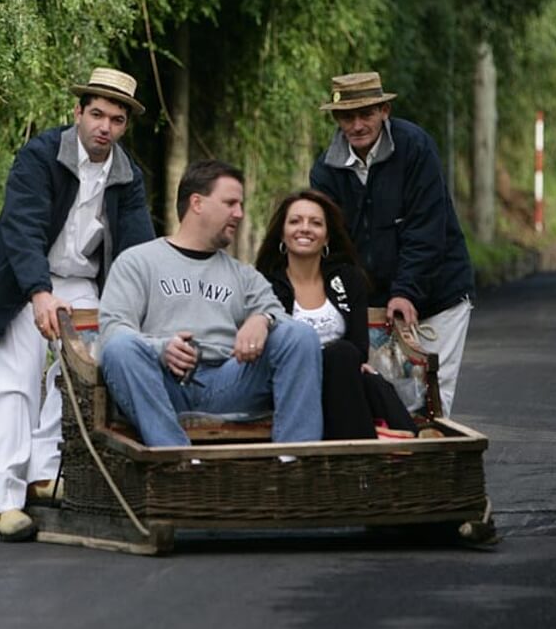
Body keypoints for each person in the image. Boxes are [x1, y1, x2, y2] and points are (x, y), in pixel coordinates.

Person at [0, 68, 155, 542]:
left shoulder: (128, 176)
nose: (103, 127)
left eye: (115, 119)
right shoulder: (40, 155)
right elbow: (21, 228)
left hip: (83, 284)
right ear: (78, 113)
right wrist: (39, 292)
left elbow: (136, 248)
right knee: (15, 384)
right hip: (21, 282)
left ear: (125, 125)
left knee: (76, 378)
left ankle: (43, 474)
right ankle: (5, 499)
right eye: (96, 114)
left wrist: (140, 308)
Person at [97, 160, 323, 448]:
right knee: (119, 348)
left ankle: (295, 463)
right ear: (197, 203)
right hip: (161, 386)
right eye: (230, 203)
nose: (239, 214)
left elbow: (279, 316)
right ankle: (177, 460)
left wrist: (262, 319)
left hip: (228, 383)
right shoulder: (138, 262)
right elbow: (113, 333)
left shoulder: (242, 274)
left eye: (240, 205)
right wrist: (162, 349)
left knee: (300, 335)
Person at [310, 71, 475, 415]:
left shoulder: (414, 147)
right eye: (347, 117)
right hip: (372, 303)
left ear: (384, 111)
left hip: (438, 295)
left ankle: (434, 466)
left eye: (366, 114)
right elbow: (332, 246)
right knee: (386, 398)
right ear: (337, 120)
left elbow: (427, 230)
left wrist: (407, 291)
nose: (357, 125)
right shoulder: (325, 170)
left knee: (430, 400)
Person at [255, 189, 416, 440]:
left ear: (327, 237)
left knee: (345, 359)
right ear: (282, 233)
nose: (305, 228)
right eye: (295, 221)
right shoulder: (264, 285)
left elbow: (359, 347)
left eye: (316, 223)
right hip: (290, 383)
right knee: (344, 361)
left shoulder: (348, 279)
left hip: (344, 377)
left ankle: (365, 449)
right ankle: (368, 452)